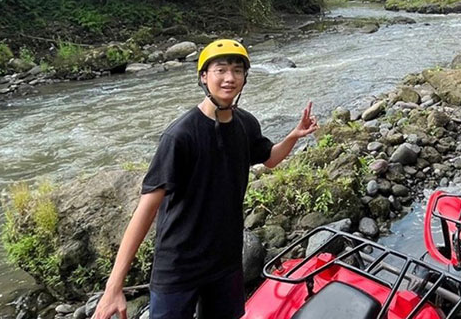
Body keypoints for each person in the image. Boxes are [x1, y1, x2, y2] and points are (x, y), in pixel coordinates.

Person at [93, 39, 319, 319]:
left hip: (225, 262)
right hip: (179, 267)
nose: (229, 78)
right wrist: (114, 286)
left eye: (237, 70)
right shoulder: (180, 136)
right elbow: (146, 209)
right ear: (203, 76)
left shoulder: (245, 124)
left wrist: (293, 137)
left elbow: (270, 159)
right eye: (220, 70)